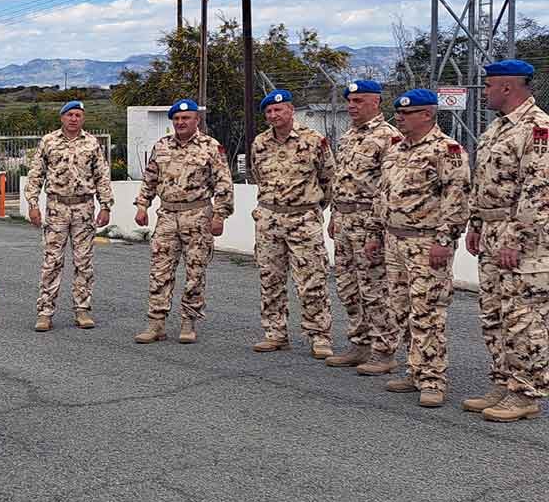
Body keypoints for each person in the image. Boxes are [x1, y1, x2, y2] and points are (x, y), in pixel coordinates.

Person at [365, 89, 470, 408]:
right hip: (395, 240)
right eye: (398, 112)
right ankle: (415, 369)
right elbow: (382, 194)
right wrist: (375, 232)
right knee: (402, 309)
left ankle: (433, 380)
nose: (399, 117)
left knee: (428, 311)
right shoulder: (397, 150)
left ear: (427, 115)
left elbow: (457, 198)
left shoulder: (447, 149)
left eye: (406, 113)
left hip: (426, 242)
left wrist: (444, 239)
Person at [462, 60, 549, 422]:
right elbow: (487, 183)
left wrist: (515, 238)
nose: (485, 93)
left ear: (508, 88)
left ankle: (526, 392)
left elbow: (538, 190)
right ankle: (503, 380)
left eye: (488, 87)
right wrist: (477, 223)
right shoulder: (498, 128)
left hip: (524, 237)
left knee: (524, 317)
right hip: (494, 231)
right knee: (494, 314)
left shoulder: (537, 128)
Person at [133, 99, 233, 344]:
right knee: (159, 271)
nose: (180, 122)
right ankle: (156, 324)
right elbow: (150, 179)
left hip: (198, 216)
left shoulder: (211, 147)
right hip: (167, 216)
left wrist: (220, 215)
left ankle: (189, 322)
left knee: (195, 272)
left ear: (196, 120)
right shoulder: (162, 146)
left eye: (185, 118)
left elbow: (223, 184)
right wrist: (142, 205)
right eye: (176, 119)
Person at [249, 90, 336, 359]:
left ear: (290, 111)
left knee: (312, 280)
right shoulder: (260, 143)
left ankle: (319, 335)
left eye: (279, 110)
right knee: (270, 278)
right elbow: (257, 176)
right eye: (269, 112)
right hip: (269, 220)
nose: (274, 116)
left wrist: (313, 209)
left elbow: (329, 178)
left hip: (303, 219)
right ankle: (275, 333)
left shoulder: (314, 141)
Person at [325, 80, 400, 368]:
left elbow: (388, 188)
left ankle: (384, 349)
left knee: (374, 289)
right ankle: (360, 343)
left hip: (369, 223)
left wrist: (377, 230)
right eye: (350, 101)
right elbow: (340, 181)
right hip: (345, 221)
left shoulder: (388, 137)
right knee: (348, 287)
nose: (351, 106)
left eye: (359, 101)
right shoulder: (348, 137)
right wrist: (334, 216)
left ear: (376, 102)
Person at [25, 100, 115, 332]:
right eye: (70, 114)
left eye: (78, 115)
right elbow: (36, 174)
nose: (74, 118)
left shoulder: (92, 143)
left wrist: (106, 206)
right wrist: (33, 204)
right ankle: (45, 312)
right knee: (52, 262)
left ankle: (82, 310)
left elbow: (102, 176)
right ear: (62, 117)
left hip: (84, 208)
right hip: (57, 207)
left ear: (83, 119)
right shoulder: (49, 142)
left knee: (83, 262)